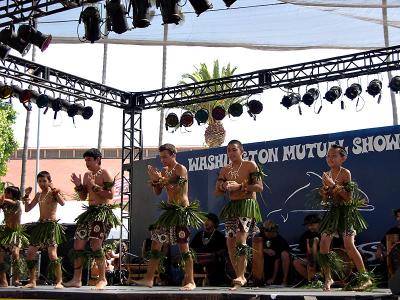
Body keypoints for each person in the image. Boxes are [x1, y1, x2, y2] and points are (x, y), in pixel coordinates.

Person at [133, 143, 205, 290]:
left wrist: (160, 179)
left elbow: (177, 187)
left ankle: (190, 281)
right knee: (156, 242)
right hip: (169, 211)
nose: (163, 160)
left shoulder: (180, 168)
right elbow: (158, 192)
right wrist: (155, 181)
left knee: (183, 246)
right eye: (161, 157)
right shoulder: (165, 171)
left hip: (180, 211)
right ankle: (149, 279)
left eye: (165, 157)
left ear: (173, 155)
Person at [318, 144, 372, 291]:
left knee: (349, 245)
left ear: (343, 158)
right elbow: (328, 198)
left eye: (334, 156)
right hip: (333, 213)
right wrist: (324, 192)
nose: (330, 158)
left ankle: (365, 278)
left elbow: (348, 198)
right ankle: (328, 278)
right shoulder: (326, 175)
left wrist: (332, 184)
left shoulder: (345, 173)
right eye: (328, 156)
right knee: (323, 243)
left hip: (346, 213)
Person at [65, 148, 120, 290]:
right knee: (78, 245)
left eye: (89, 160)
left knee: (96, 245)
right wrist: (79, 185)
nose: (87, 163)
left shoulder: (105, 173)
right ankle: (77, 279)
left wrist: (94, 186)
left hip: (102, 214)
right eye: (85, 160)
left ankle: (102, 279)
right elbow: (83, 196)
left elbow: (110, 195)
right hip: (89, 213)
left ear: (97, 159)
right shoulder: (86, 175)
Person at [215, 139, 263, 290]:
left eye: (234, 150)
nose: (231, 153)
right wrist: (223, 185)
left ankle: (241, 277)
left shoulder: (250, 165)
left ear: (242, 151)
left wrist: (240, 186)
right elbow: (217, 191)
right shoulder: (225, 169)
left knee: (240, 240)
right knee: (230, 243)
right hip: (232, 207)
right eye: (228, 150)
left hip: (247, 206)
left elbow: (259, 187)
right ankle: (239, 276)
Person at [22, 171, 66, 289]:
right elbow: (27, 209)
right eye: (39, 181)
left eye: (44, 181)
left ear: (49, 181)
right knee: (30, 253)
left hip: (51, 226)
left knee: (52, 255)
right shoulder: (38, 195)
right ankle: (32, 281)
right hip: (40, 226)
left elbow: (62, 203)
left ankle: (59, 281)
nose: (41, 183)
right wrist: (26, 196)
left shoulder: (53, 193)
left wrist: (54, 189)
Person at [0, 186, 28, 287]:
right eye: (5, 193)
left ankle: (16, 280)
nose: (6, 195)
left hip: (15, 234)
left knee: (15, 255)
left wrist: (3, 198)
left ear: (14, 195)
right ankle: (3, 281)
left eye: (8, 193)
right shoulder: (4, 205)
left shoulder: (17, 203)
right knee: (0, 256)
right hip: (6, 234)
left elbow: (9, 201)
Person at [190, 213, 227, 286]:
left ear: (214, 222)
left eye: (209, 220)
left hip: (213, 261)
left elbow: (224, 249)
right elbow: (191, 247)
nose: (206, 222)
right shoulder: (199, 234)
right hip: (198, 261)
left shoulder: (219, 236)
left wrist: (214, 254)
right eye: (204, 220)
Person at [261, 220, 290, 286]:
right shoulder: (261, 236)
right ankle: (258, 279)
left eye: (269, 232)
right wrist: (264, 250)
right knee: (258, 253)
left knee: (284, 254)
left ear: (274, 231)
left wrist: (273, 279)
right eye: (265, 232)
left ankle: (284, 281)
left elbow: (277, 260)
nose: (267, 234)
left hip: (277, 267)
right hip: (263, 264)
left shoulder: (280, 241)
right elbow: (253, 248)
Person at [293, 214, 321, 282]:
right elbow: (304, 251)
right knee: (296, 262)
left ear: (319, 223)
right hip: (311, 260)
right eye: (308, 225)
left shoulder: (325, 233)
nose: (310, 227)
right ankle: (313, 281)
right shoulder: (305, 236)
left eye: (312, 225)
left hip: (324, 259)